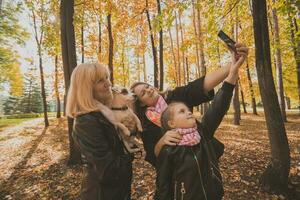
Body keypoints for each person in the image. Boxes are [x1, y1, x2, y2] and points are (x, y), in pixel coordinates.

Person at [130, 43, 248, 167]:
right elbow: (153, 156)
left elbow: (200, 85)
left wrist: (233, 64)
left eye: (147, 86)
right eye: (143, 93)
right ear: (141, 103)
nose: (148, 90)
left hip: (204, 158)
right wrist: (162, 141)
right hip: (176, 172)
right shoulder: (146, 124)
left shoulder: (174, 96)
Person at [156, 56, 241, 199]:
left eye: (188, 110)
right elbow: (162, 187)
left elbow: (217, 108)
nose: (189, 112)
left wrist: (232, 74)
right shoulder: (169, 149)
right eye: (181, 112)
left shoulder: (202, 134)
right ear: (172, 124)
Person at [66, 63, 133, 200]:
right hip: (102, 193)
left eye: (107, 77)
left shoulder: (105, 113)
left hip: (116, 190)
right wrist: (130, 155)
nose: (108, 83)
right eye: (100, 81)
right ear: (86, 88)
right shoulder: (86, 121)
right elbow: (108, 169)